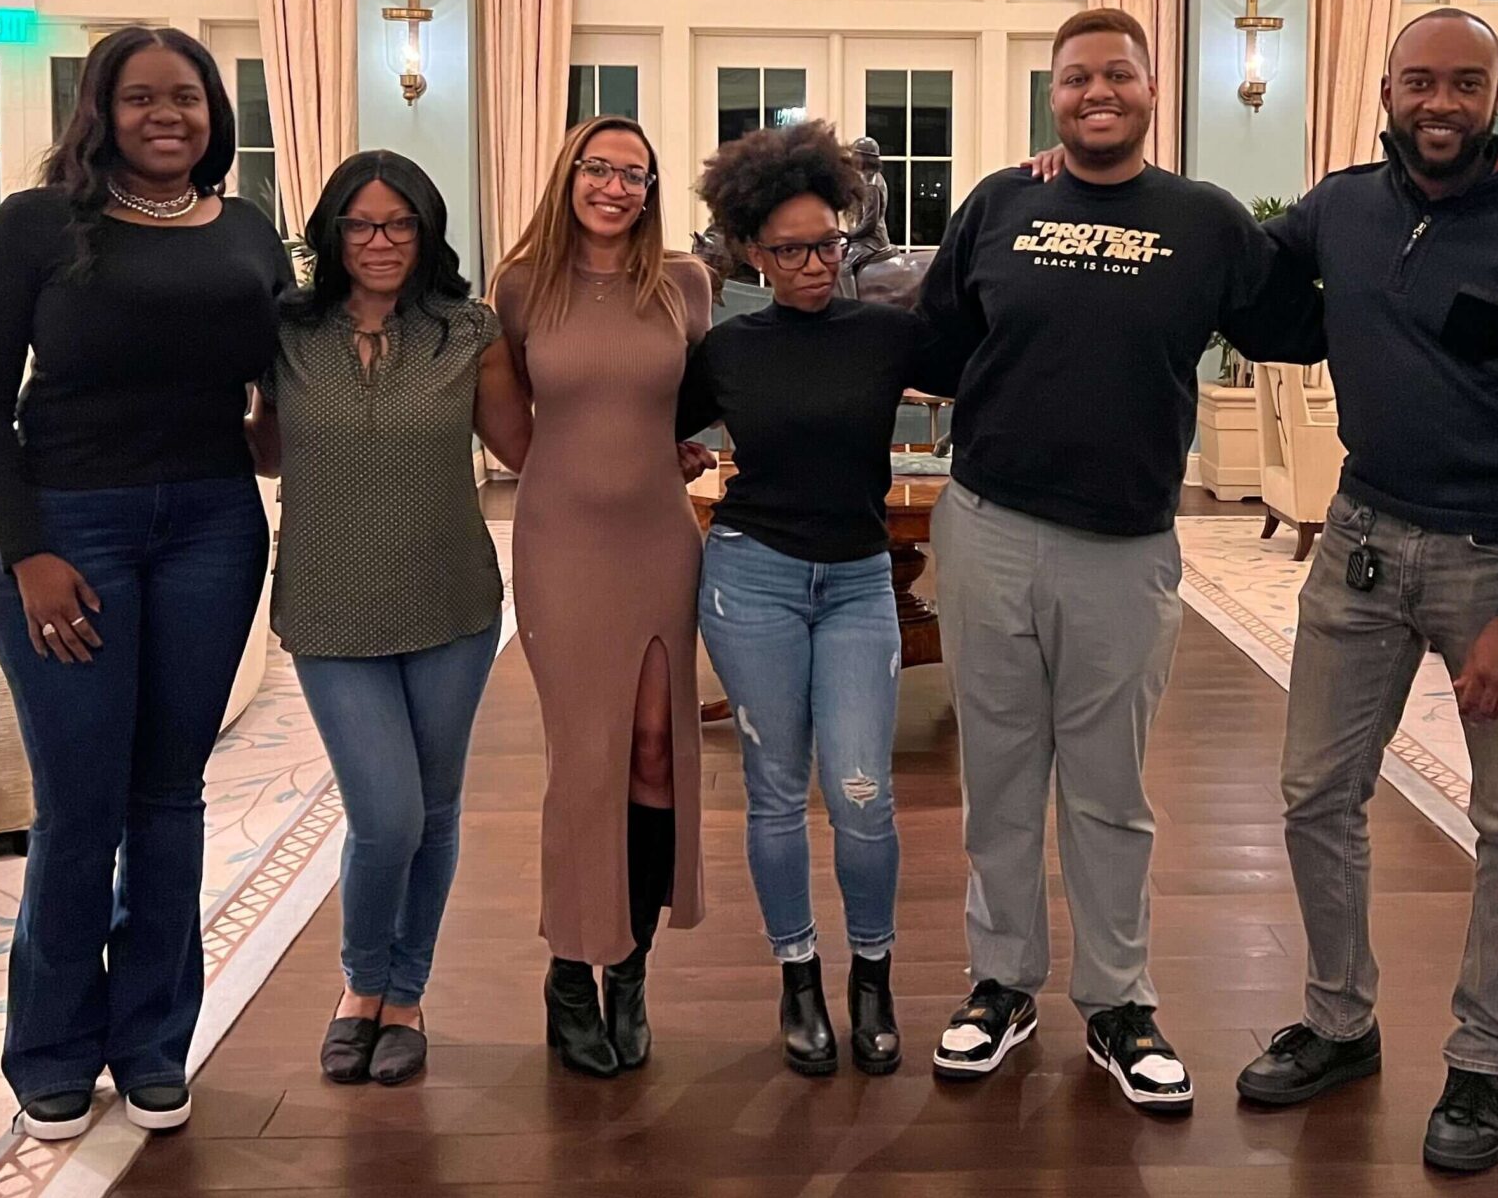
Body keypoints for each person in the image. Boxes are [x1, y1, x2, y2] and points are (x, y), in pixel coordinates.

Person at [918, 6, 1320, 1113]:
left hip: (1125, 548)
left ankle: (1116, 1000)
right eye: (1074, 78)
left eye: (1117, 75)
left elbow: (1303, 321)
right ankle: (998, 984)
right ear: (1052, 96)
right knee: (998, 779)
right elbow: (937, 344)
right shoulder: (1001, 203)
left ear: (1152, 90)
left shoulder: (1204, 221)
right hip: (989, 525)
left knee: (1107, 790)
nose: (1096, 91)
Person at [1234, 9, 1498, 1174]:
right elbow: (1248, 282)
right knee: (1313, 794)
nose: (1437, 102)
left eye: (1463, 83)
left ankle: (1484, 1064)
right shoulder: (1340, 206)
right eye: (1417, 83)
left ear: (1497, 99)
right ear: (1386, 92)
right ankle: (1340, 1023)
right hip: (1357, 537)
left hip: (1493, 560)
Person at [0, 26, 292, 1142]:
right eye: (141, 96)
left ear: (213, 113)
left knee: (169, 798)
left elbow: (280, 386)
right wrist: (28, 550)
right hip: (71, 533)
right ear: (99, 109)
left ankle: (152, 1042)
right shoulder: (35, 227)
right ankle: (49, 1049)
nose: (167, 115)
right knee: (80, 805)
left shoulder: (247, 232)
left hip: (210, 526)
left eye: (187, 97)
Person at [676, 120, 964, 1077]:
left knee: (863, 793)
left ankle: (871, 977)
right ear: (752, 252)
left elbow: (990, 365)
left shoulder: (886, 335)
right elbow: (650, 431)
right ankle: (797, 977)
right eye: (790, 248)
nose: (813, 262)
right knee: (771, 794)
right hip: (750, 574)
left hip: (855, 580)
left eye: (828, 242)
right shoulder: (727, 349)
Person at [250, 151, 527, 1088]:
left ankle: (405, 997)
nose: (380, 243)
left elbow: (527, 444)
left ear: (426, 232)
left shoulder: (467, 331)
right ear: (332, 234)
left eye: (399, 225)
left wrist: (654, 437)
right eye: (362, 226)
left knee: (436, 809)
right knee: (387, 813)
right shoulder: (286, 332)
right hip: (329, 604)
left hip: (451, 601)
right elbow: (271, 453)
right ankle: (358, 985)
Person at [492, 116, 715, 1078]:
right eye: (600, 168)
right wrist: (581, 473)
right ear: (568, 172)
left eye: (636, 173)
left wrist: (668, 451)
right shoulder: (520, 285)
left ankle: (630, 967)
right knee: (585, 758)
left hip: (660, 542)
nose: (616, 187)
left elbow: (702, 398)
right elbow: (508, 430)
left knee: (658, 748)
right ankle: (569, 972)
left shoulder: (685, 283)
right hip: (561, 545)